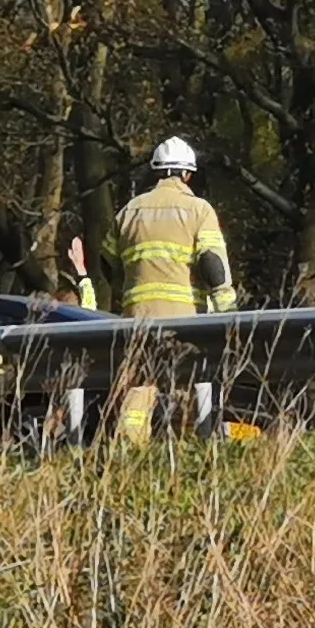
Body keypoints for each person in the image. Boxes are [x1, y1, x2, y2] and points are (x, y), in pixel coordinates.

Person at [109, 136, 234, 445]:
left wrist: (123, 293)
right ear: (188, 174)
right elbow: (211, 263)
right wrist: (227, 309)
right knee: (190, 385)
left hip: (137, 319)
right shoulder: (198, 210)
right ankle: (189, 450)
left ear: (155, 173)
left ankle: (129, 448)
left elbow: (106, 261)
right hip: (184, 319)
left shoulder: (128, 212)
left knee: (139, 387)